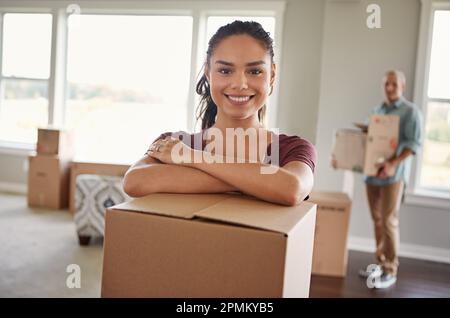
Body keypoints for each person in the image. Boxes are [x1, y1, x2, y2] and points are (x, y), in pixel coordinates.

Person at [123, 20, 317, 206]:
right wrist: (260, 183)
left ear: (272, 75)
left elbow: (292, 189)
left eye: (255, 71)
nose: (239, 84)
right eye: (225, 70)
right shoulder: (173, 142)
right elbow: (134, 181)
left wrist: (192, 158)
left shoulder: (293, 149)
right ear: (208, 73)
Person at [359, 70, 423, 289]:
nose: (389, 87)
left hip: (393, 177)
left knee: (388, 221)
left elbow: (413, 145)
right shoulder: (377, 110)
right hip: (372, 177)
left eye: (394, 84)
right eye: (386, 83)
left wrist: (392, 164)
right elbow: (371, 140)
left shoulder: (410, 112)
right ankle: (380, 261)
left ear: (402, 86)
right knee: (377, 221)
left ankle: (390, 269)